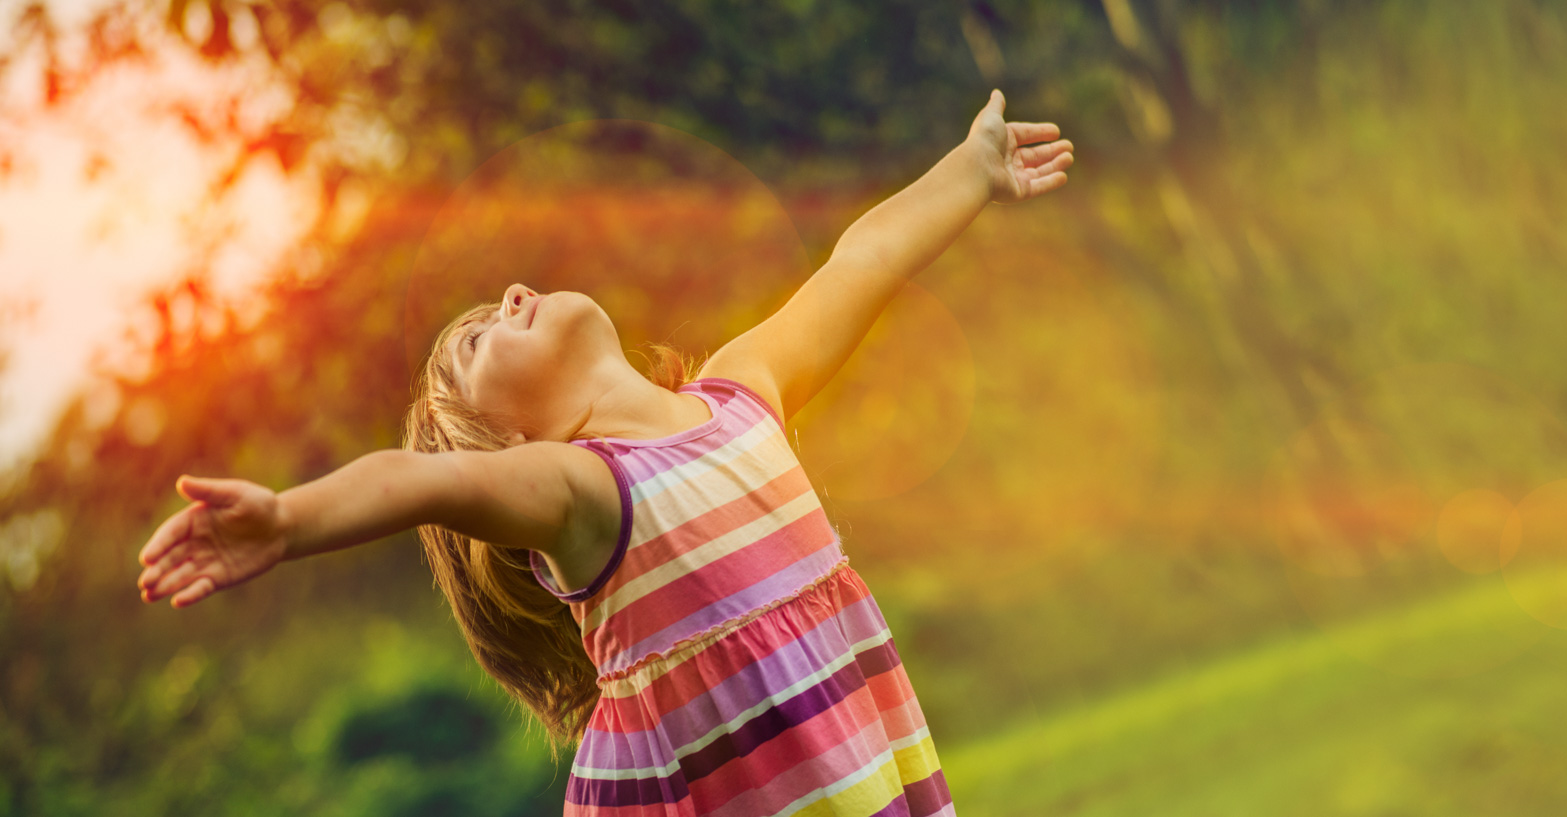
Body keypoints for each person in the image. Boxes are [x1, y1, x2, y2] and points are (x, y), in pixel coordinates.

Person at [134, 89, 1069, 816]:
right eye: (476, 343)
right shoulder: (584, 492)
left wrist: (969, 168)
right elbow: (422, 480)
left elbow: (858, 263)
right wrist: (289, 518)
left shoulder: (743, 393)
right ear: (507, 442)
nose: (508, 295)